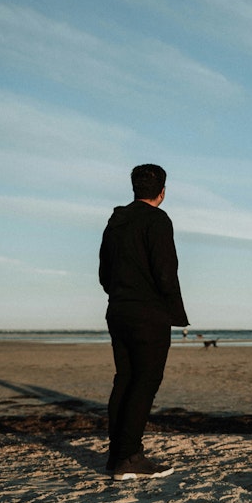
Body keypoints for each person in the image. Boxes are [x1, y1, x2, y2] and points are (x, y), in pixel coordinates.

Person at [99, 164, 188, 480]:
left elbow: (104, 274)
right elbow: (166, 271)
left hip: (118, 309)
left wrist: (122, 293)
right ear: (162, 192)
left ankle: (117, 455)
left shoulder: (116, 222)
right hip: (148, 313)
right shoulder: (157, 220)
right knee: (145, 381)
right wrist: (174, 312)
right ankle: (130, 456)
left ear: (134, 189)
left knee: (124, 378)